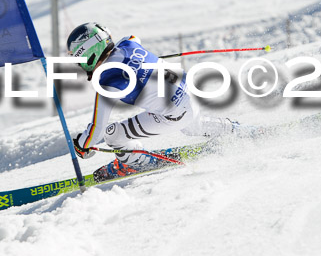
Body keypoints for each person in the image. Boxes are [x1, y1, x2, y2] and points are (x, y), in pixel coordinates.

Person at [67, 23, 245, 175]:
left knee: (113, 135)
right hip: (189, 91)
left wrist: (82, 146)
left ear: (89, 54)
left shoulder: (108, 81)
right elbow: (133, 36)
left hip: (175, 113)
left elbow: (96, 130)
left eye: (79, 60)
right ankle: (236, 130)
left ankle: (137, 164)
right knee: (192, 125)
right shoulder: (128, 45)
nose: (80, 65)